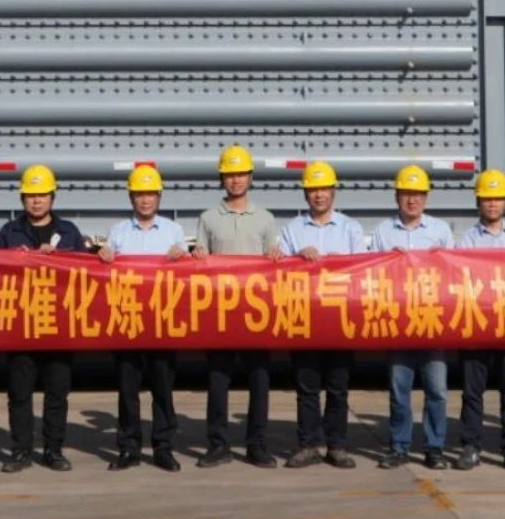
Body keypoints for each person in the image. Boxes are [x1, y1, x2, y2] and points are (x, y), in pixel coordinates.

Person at [190, 144, 282, 469]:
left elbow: (275, 263)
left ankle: (257, 444)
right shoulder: (208, 218)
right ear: (222, 179)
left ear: (250, 177)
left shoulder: (266, 219)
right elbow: (199, 262)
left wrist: (275, 257)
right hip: (220, 313)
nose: (236, 180)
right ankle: (218, 444)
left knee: (259, 380)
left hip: (256, 313)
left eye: (241, 174)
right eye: (230, 174)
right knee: (218, 381)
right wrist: (198, 256)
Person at [0, 165, 90, 473]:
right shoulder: (9, 233)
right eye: (31, 196)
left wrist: (59, 259)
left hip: (58, 325)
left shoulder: (70, 233)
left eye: (42, 195)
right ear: (23, 199)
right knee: (19, 394)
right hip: (21, 325)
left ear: (52, 197)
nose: (36, 201)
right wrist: (17, 259)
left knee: (57, 393)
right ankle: (20, 451)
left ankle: (53, 450)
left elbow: (86, 274)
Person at [101, 165, 189, 472]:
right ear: (131, 197)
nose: (145, 200)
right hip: (128, 322)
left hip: (162, 322)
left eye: (150, 194)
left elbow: (188, 273)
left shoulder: (173, 231)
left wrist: (183, 256)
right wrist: (104, 256)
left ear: (159, 197)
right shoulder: (118, 232)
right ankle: (129, 448)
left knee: (162, 389)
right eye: (139, 194)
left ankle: (163, 447)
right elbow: (104, 270)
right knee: (128, 390)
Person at [280, 161, 362, 470]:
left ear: (333, 192)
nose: (319, 195)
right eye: (313, 190)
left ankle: (337, 445)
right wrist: (296, 257)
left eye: (324, 189)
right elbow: (279, 269)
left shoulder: (350, 228)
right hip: (305, 318)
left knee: (338, 387)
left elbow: (364, 269)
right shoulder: (292, 229)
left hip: (340, 319)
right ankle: (308, 445)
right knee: (307, 388)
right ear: (306, 194)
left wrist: (344, 263)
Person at [373, 165, 456, 470]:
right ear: (397, 197)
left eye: (418, 194)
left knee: (437, 390)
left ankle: (434, 448)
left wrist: (440, 260)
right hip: (398, 323)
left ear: (426, 198)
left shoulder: (441, 231)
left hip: (433, 322)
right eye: (406, 194)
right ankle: (399, 447)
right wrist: (387, 261)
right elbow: (371, 274)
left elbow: (456, 274)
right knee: (399, 390)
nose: (412, 200)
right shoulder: (383, 232)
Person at [454, 169, 505, 472]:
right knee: (472, 392)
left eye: (497, 198)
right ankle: (470, 446)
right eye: (487, 199)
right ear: (479, 202)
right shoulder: (467, 240)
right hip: (476, 325)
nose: (492, 204)